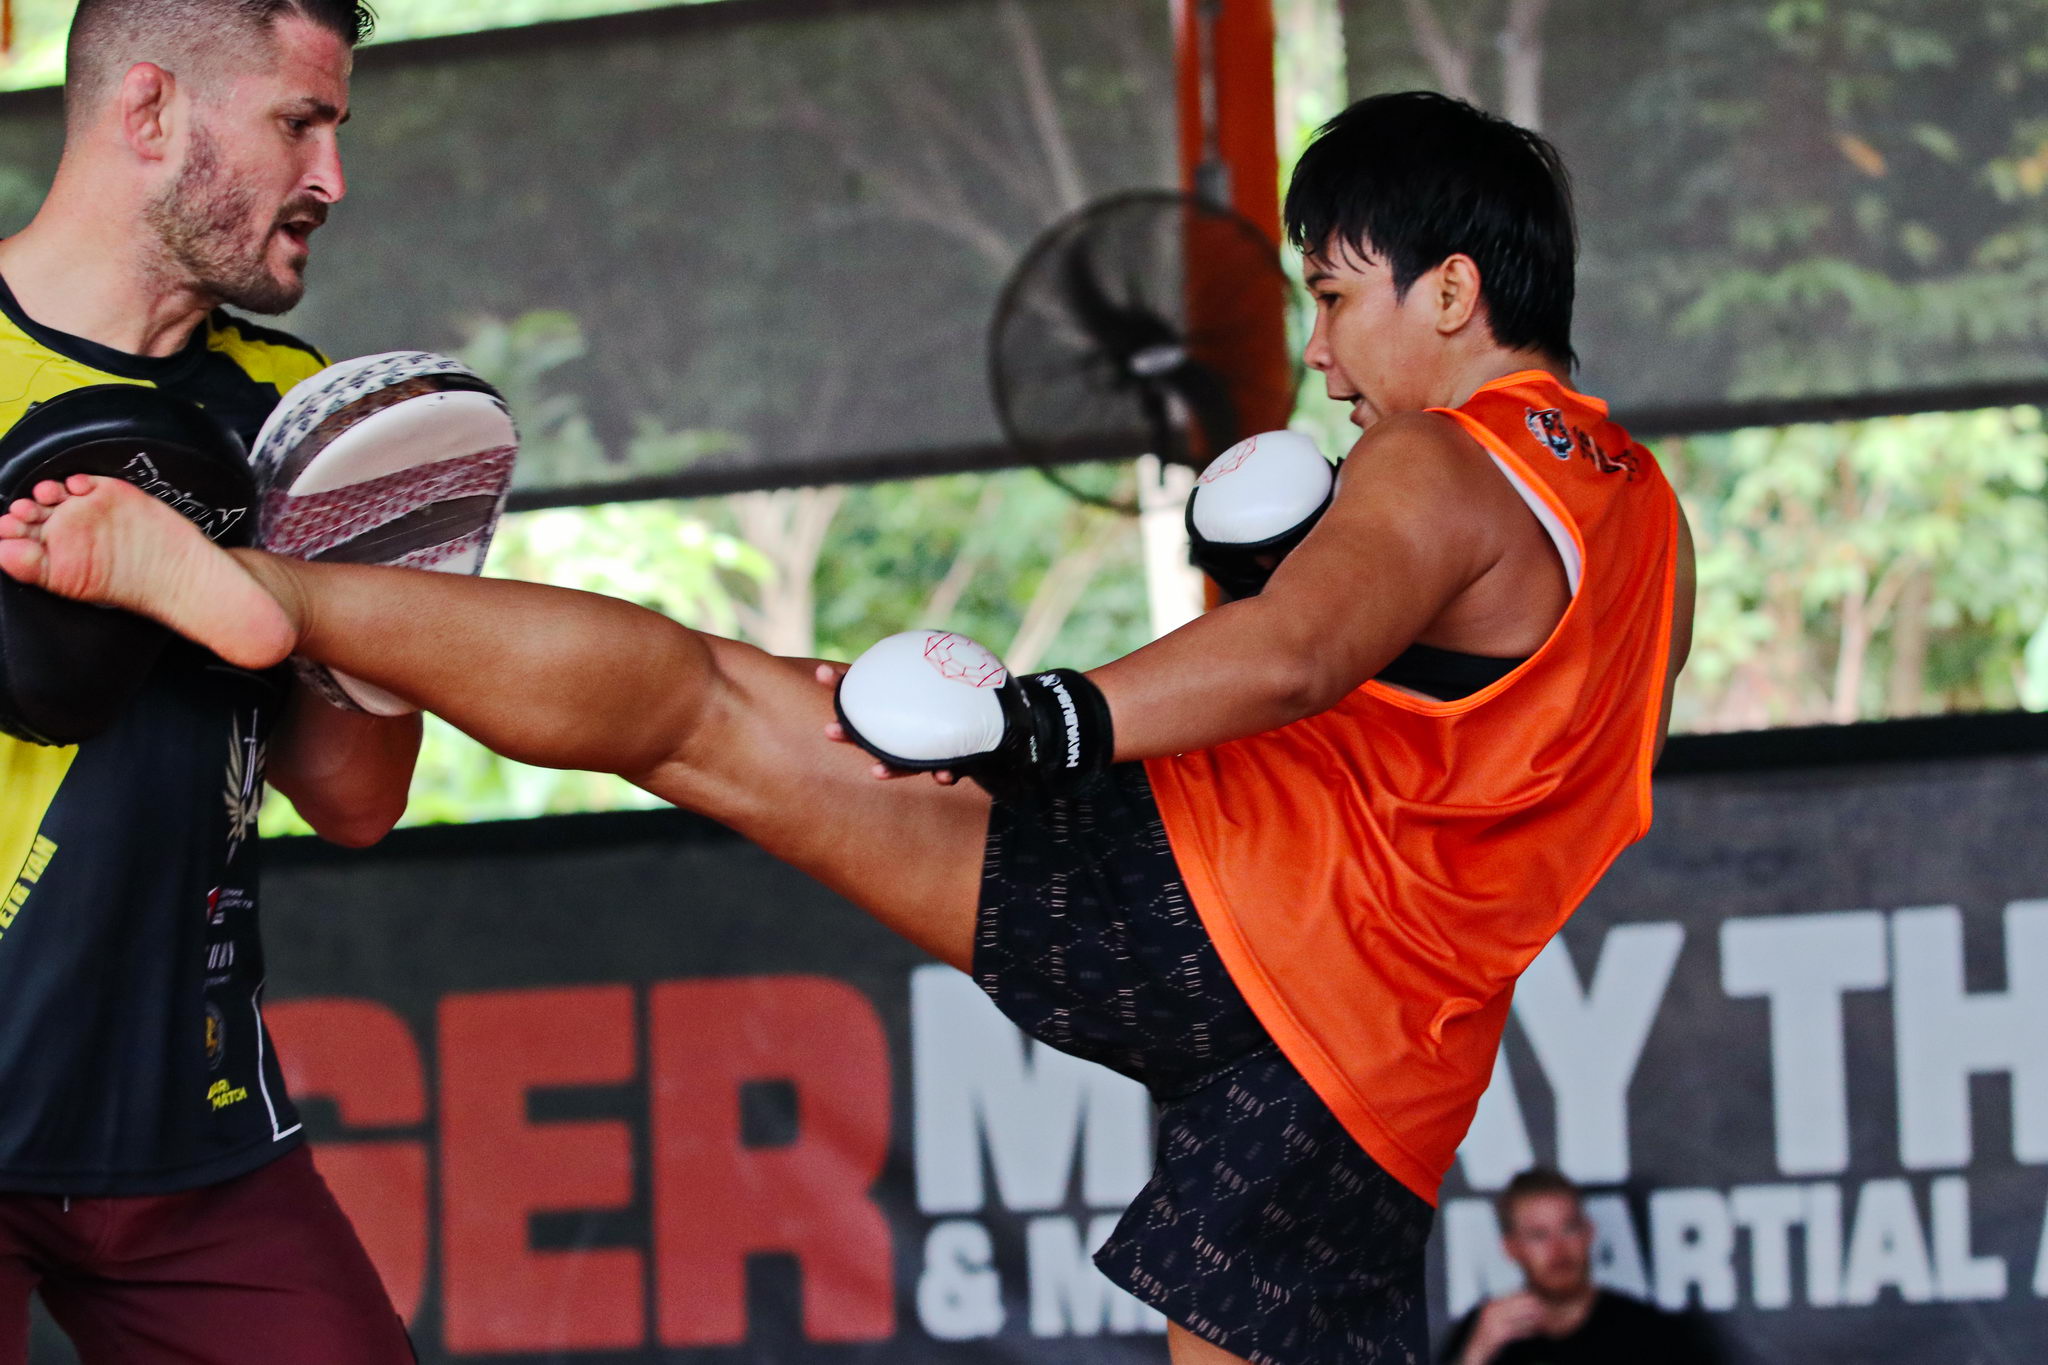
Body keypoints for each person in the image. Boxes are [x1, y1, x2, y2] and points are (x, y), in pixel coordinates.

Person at [0, 91, 1697, 1365]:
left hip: (1202, 909)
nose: (1321, 352)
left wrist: (1041, 719)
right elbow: (1461, 741)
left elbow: (1287, 667)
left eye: (1336, 297)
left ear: (1454, 291)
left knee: (707, 704)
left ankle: (256, 585)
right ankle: (270, 593)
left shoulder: (1435, 457)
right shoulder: (1642, 521)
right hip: (1370, 1072)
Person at [0, 2, 418, 1361]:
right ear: (150, 111)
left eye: (335, 130)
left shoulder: (293, 408)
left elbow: (353, 799)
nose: (332, 182)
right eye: (301, 123)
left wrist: (414, 594)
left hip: (192, 1124)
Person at [1439, 1170, 1715, 1365]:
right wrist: (1475, 1355)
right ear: (1511, 1248)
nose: (1558, 1250)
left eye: (1569, 1229)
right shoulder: (1486, 1331)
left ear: (1588, 1233)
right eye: (1539, 1235)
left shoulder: (1645, 1333)